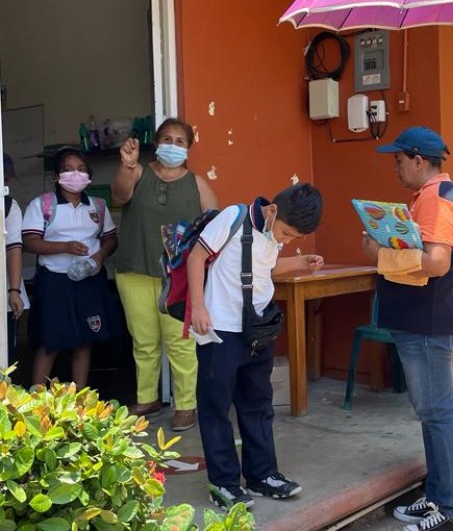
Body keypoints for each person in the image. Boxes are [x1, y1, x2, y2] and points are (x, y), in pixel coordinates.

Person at [187, 184, 324, 510]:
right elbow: (197, 257)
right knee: (216, 408)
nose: (285, 241)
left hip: (257, 330)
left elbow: (267, 268)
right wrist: (198, 308)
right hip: (219, 330)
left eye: (292, 238)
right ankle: (223, 483)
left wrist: (300, 264)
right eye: (287, 233)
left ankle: (262, 475)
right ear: (273, 211)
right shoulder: (232, 218)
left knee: (258, 404)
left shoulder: (272, 234)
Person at [362, 126, 453, 531]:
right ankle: (439, 495)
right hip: (425, 321)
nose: (395, 166)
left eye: (398, 159)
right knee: (431, 413)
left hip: (428, 322)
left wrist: (379, 254)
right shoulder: (434, 197)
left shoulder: (437, 200)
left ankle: (452, 509)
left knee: (437, 413)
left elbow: (436, 262)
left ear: (418, 160)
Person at [112, 117, 217, 431]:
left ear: (188, 148)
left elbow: (215, 225)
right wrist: (127, 167)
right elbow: (119, 195)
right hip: (134, 270)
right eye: (167, 140)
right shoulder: (139, 173)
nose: (172, 146)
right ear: (156, 144)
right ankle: (148, 398)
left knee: (181, 342)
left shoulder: (197, 183)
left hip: (179, 276)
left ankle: (186, 405)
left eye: (180, 142)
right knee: (143, 341)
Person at [22, 148, 121, 388]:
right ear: (57, 176)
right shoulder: (44, 204)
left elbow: (111, 238)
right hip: (55, 281)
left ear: (88, 175)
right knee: (50, 342)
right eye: (67, 169)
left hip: (88, 280)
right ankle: (36, 402)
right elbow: (30, 242)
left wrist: (101, 255)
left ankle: (79, 401)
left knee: (84, 340)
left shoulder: (97, 206)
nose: (74, 174)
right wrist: (64, 246)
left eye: (80, 169)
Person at [3, 153, 29, 365]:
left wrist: (14, 291)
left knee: (4, 356)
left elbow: (14, 249)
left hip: (3, 293)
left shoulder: (9, 207)